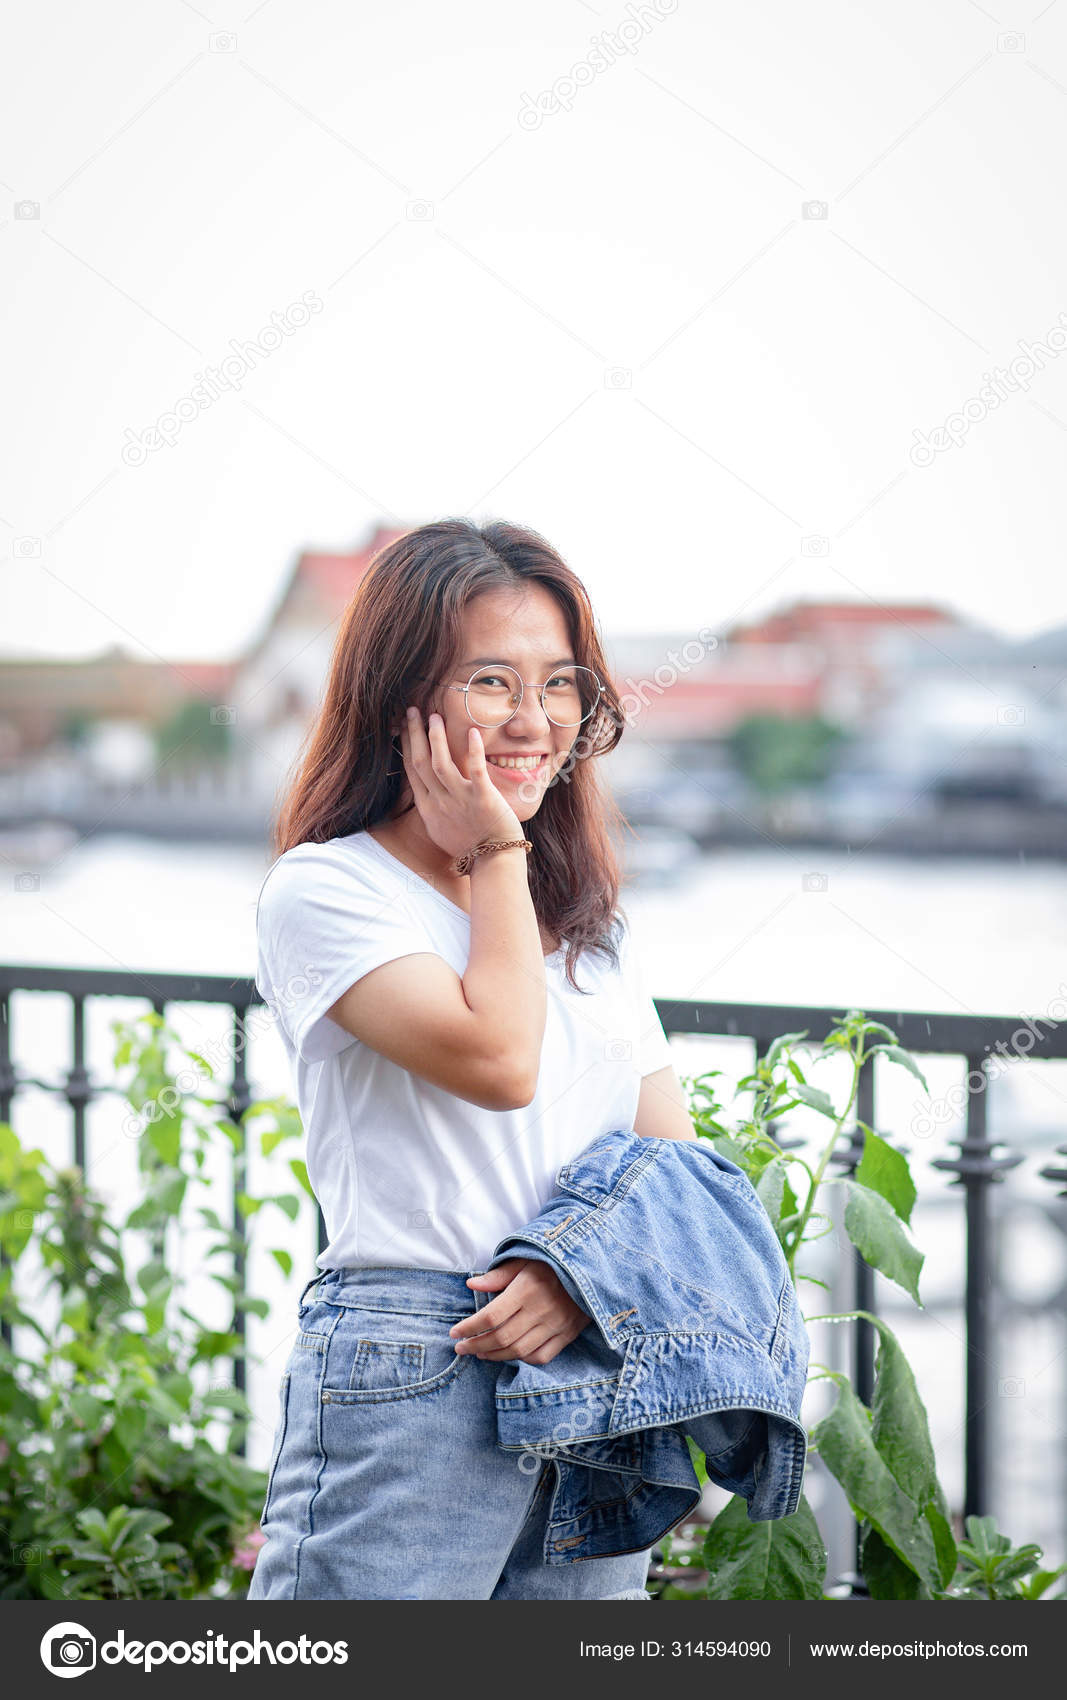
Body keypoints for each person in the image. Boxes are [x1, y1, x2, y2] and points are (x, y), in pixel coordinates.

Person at [247, 517, 696, 1602]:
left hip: (592, 1354)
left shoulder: (577, 923)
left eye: (558, 684)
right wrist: (495, 846)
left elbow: (670, 1157)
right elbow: (500, 1059)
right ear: (397, 698)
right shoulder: (330, 890)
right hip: (420, 1356)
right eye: (490, 680)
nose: (533, 720)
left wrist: (581, 1278)